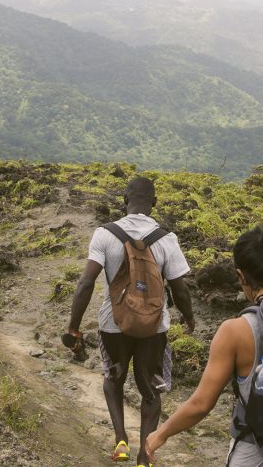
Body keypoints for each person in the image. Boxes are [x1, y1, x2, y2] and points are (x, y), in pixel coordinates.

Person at [144, 220, 263, 466]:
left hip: (259, 452)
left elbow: (201, 404)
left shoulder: (237, 330)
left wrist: (160, 434)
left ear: (241, 276)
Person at [66, 176, 195, 466]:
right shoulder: (167, 239)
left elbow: (86, 283)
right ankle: (145, 457)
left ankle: (121, 442)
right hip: (153, 326)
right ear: (154, 203)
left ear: (124, 200)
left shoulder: (104, 234)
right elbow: (180, 288)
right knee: (150, 388)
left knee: (114, 377)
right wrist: (188, 318)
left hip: (113, 323)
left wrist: (74, 326)